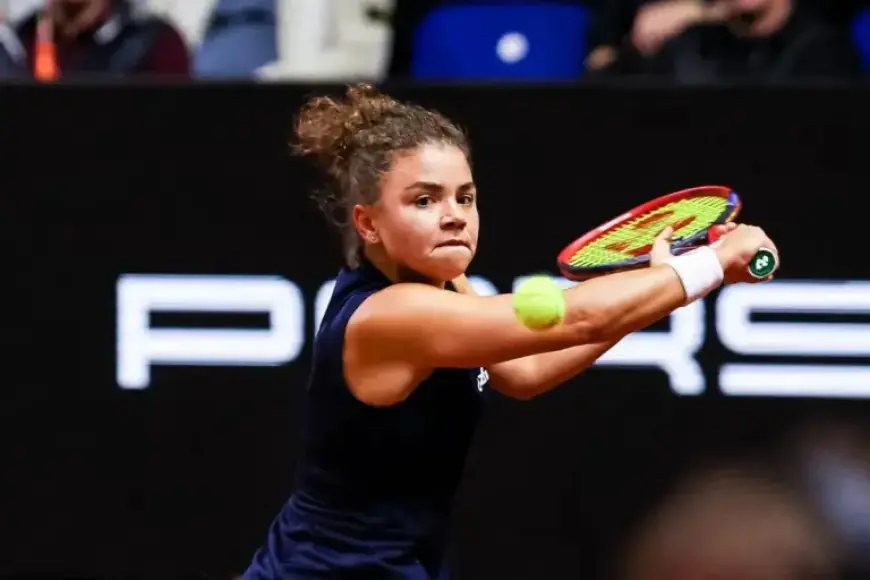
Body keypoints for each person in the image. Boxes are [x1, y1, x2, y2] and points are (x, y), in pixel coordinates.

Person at [242, 83, 779, 579]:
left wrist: (663, 282)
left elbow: (525, 371)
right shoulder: (390, 316)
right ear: (368, 224)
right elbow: (583, 316)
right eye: (424, 200)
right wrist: (707, 263)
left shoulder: (446, 281)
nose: (454, 216)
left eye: (465, 197)